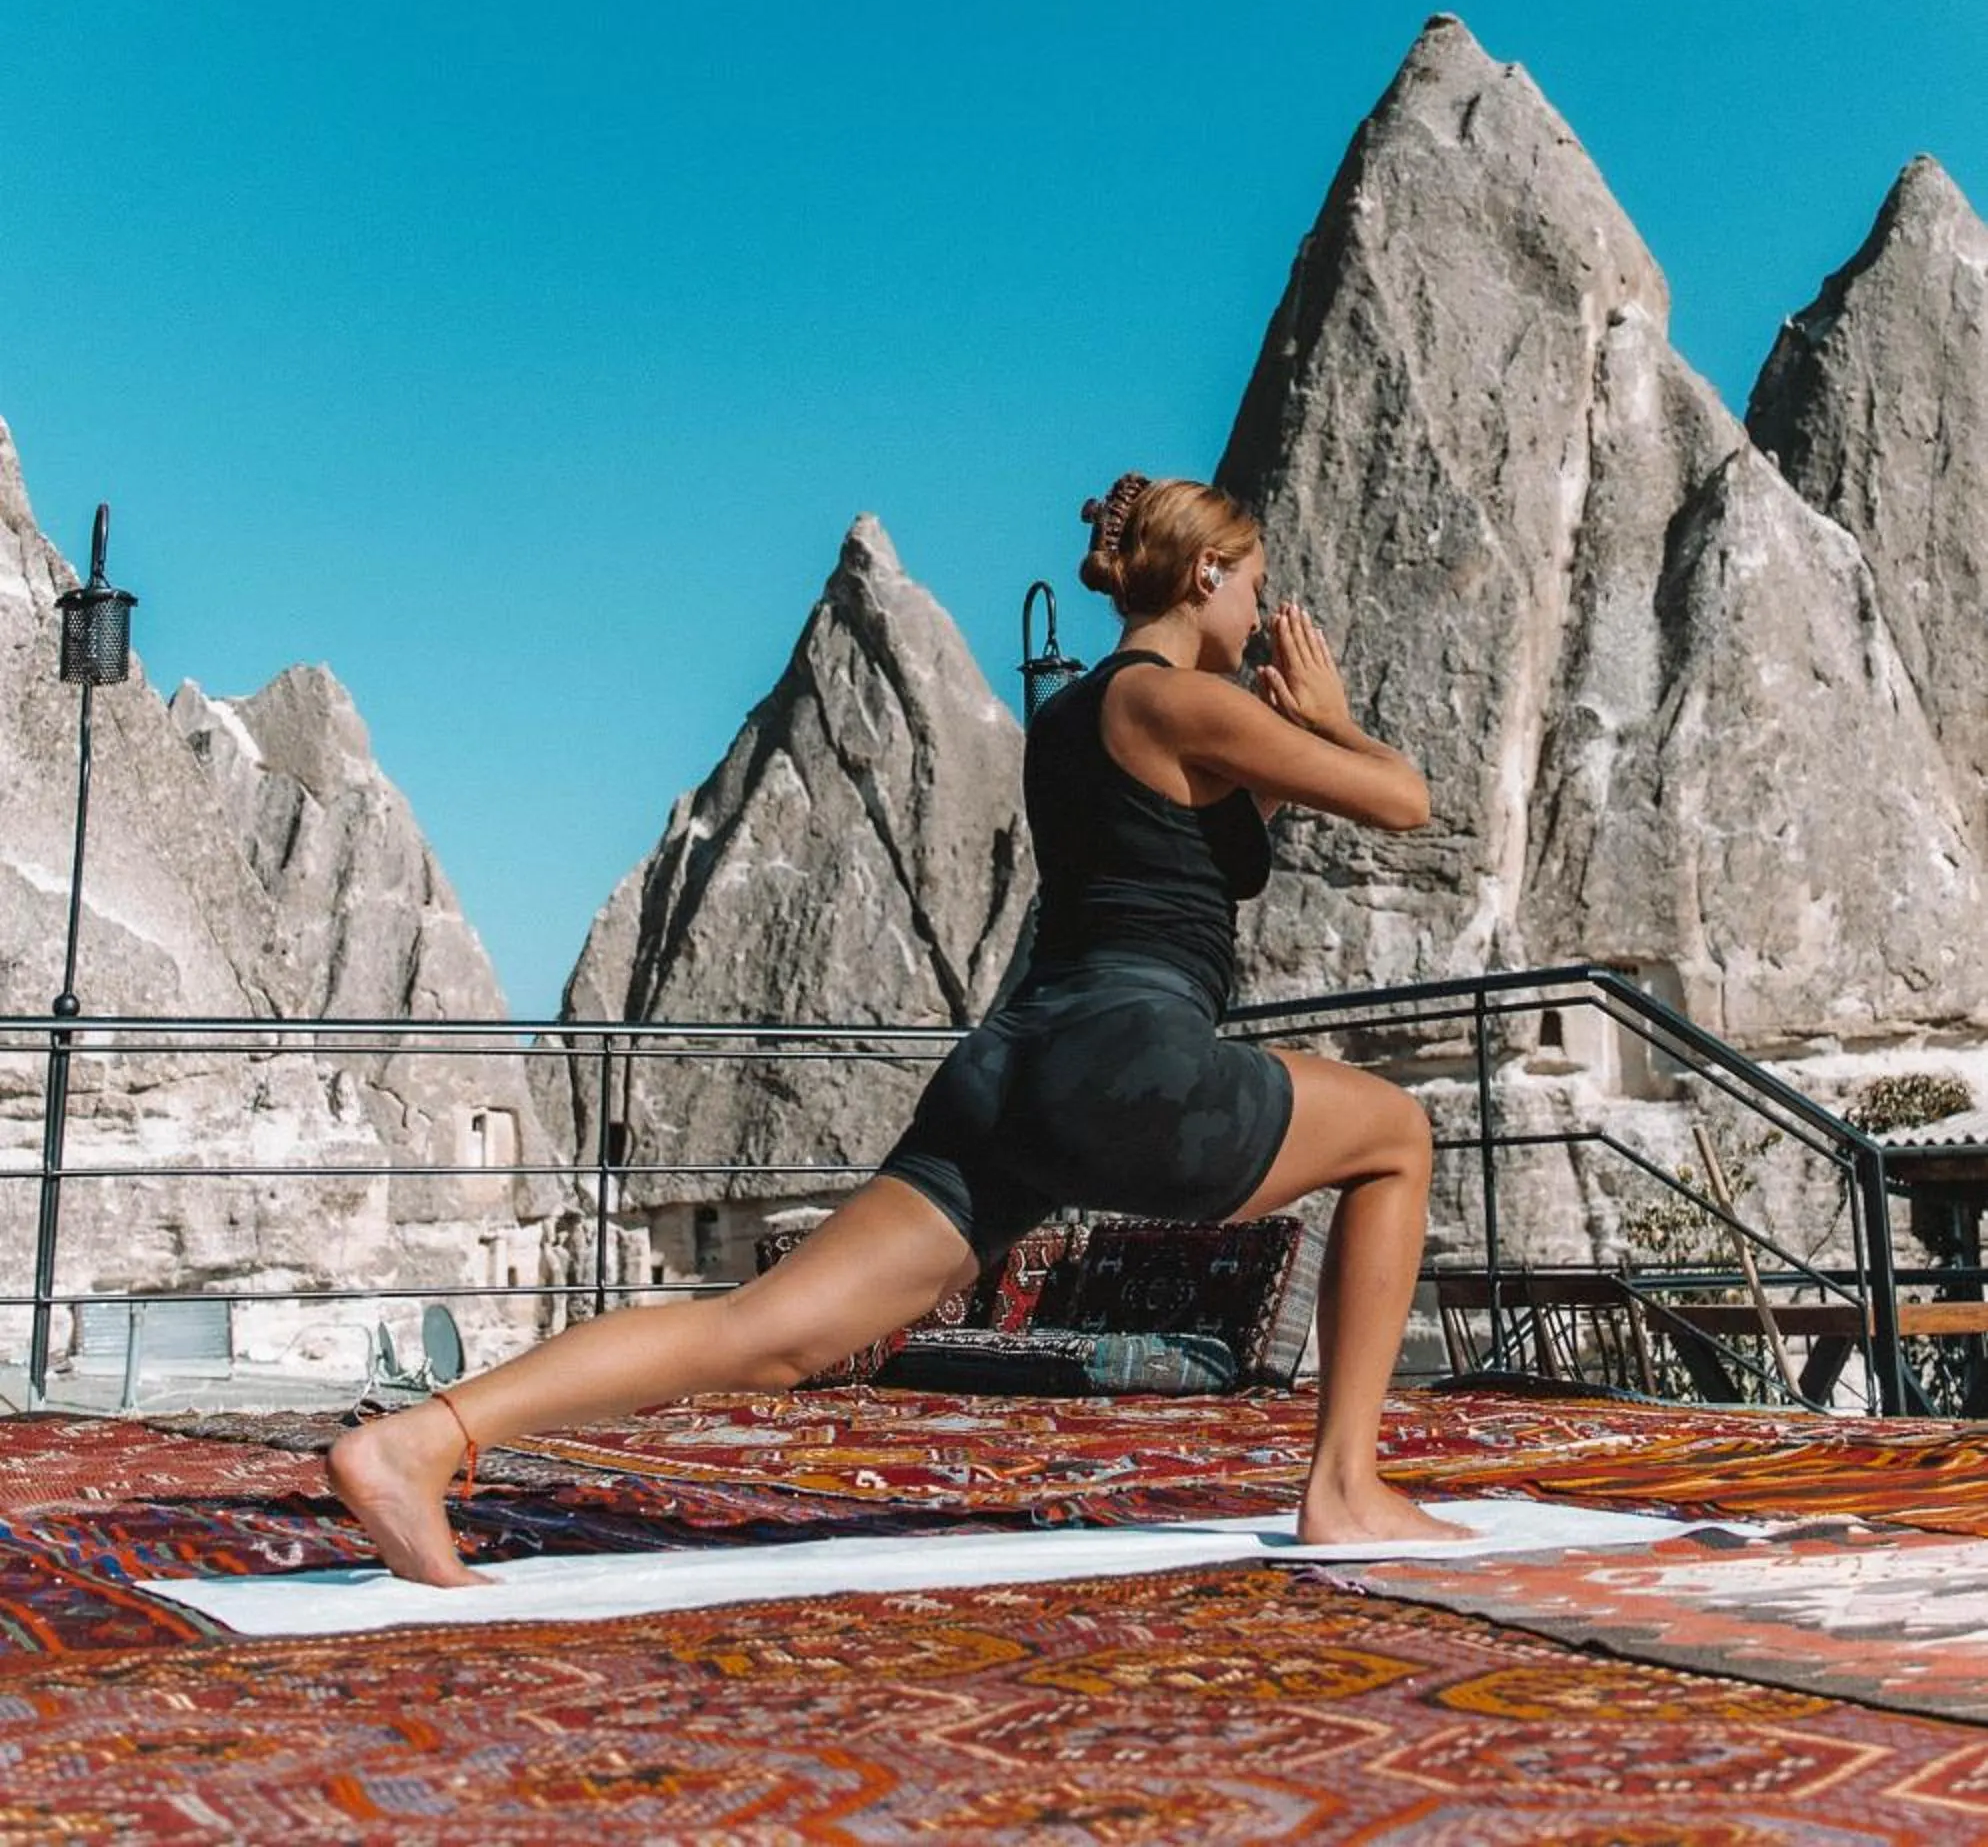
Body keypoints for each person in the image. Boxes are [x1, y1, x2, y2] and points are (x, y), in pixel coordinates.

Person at [330, 473, 1454, 1584]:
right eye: (1251, 586)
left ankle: (417, 1441)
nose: (1260, 616)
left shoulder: (1071, 717)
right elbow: (1403, 804)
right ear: (1204, 573)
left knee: (768, 1332)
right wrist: (1333, 721)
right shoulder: (1175, 698)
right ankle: (1343, 1485)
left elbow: (1187, 854)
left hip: (1014, 1067)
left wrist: (1277, 742)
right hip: (1127, 1062)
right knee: (1394, 1135)